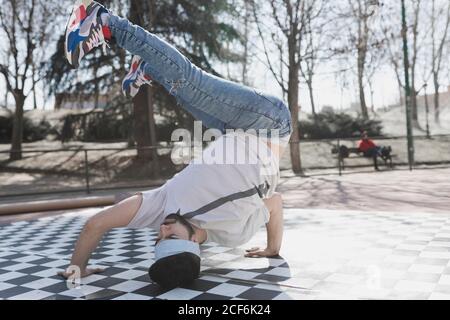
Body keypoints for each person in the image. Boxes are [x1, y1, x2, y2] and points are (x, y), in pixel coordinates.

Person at [58, 0, 292, 289]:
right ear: (194, 240)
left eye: (159, 238)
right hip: (269, 124)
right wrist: (273, 249)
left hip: (236, 131)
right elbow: (276, 202)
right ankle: (104, 21)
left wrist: (77, 266)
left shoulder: (161, 209)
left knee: (184, 94)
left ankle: (146, 70)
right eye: (171, 237)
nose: (163, 229)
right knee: (190, 80)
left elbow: (97, 223)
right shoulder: (233, 229)